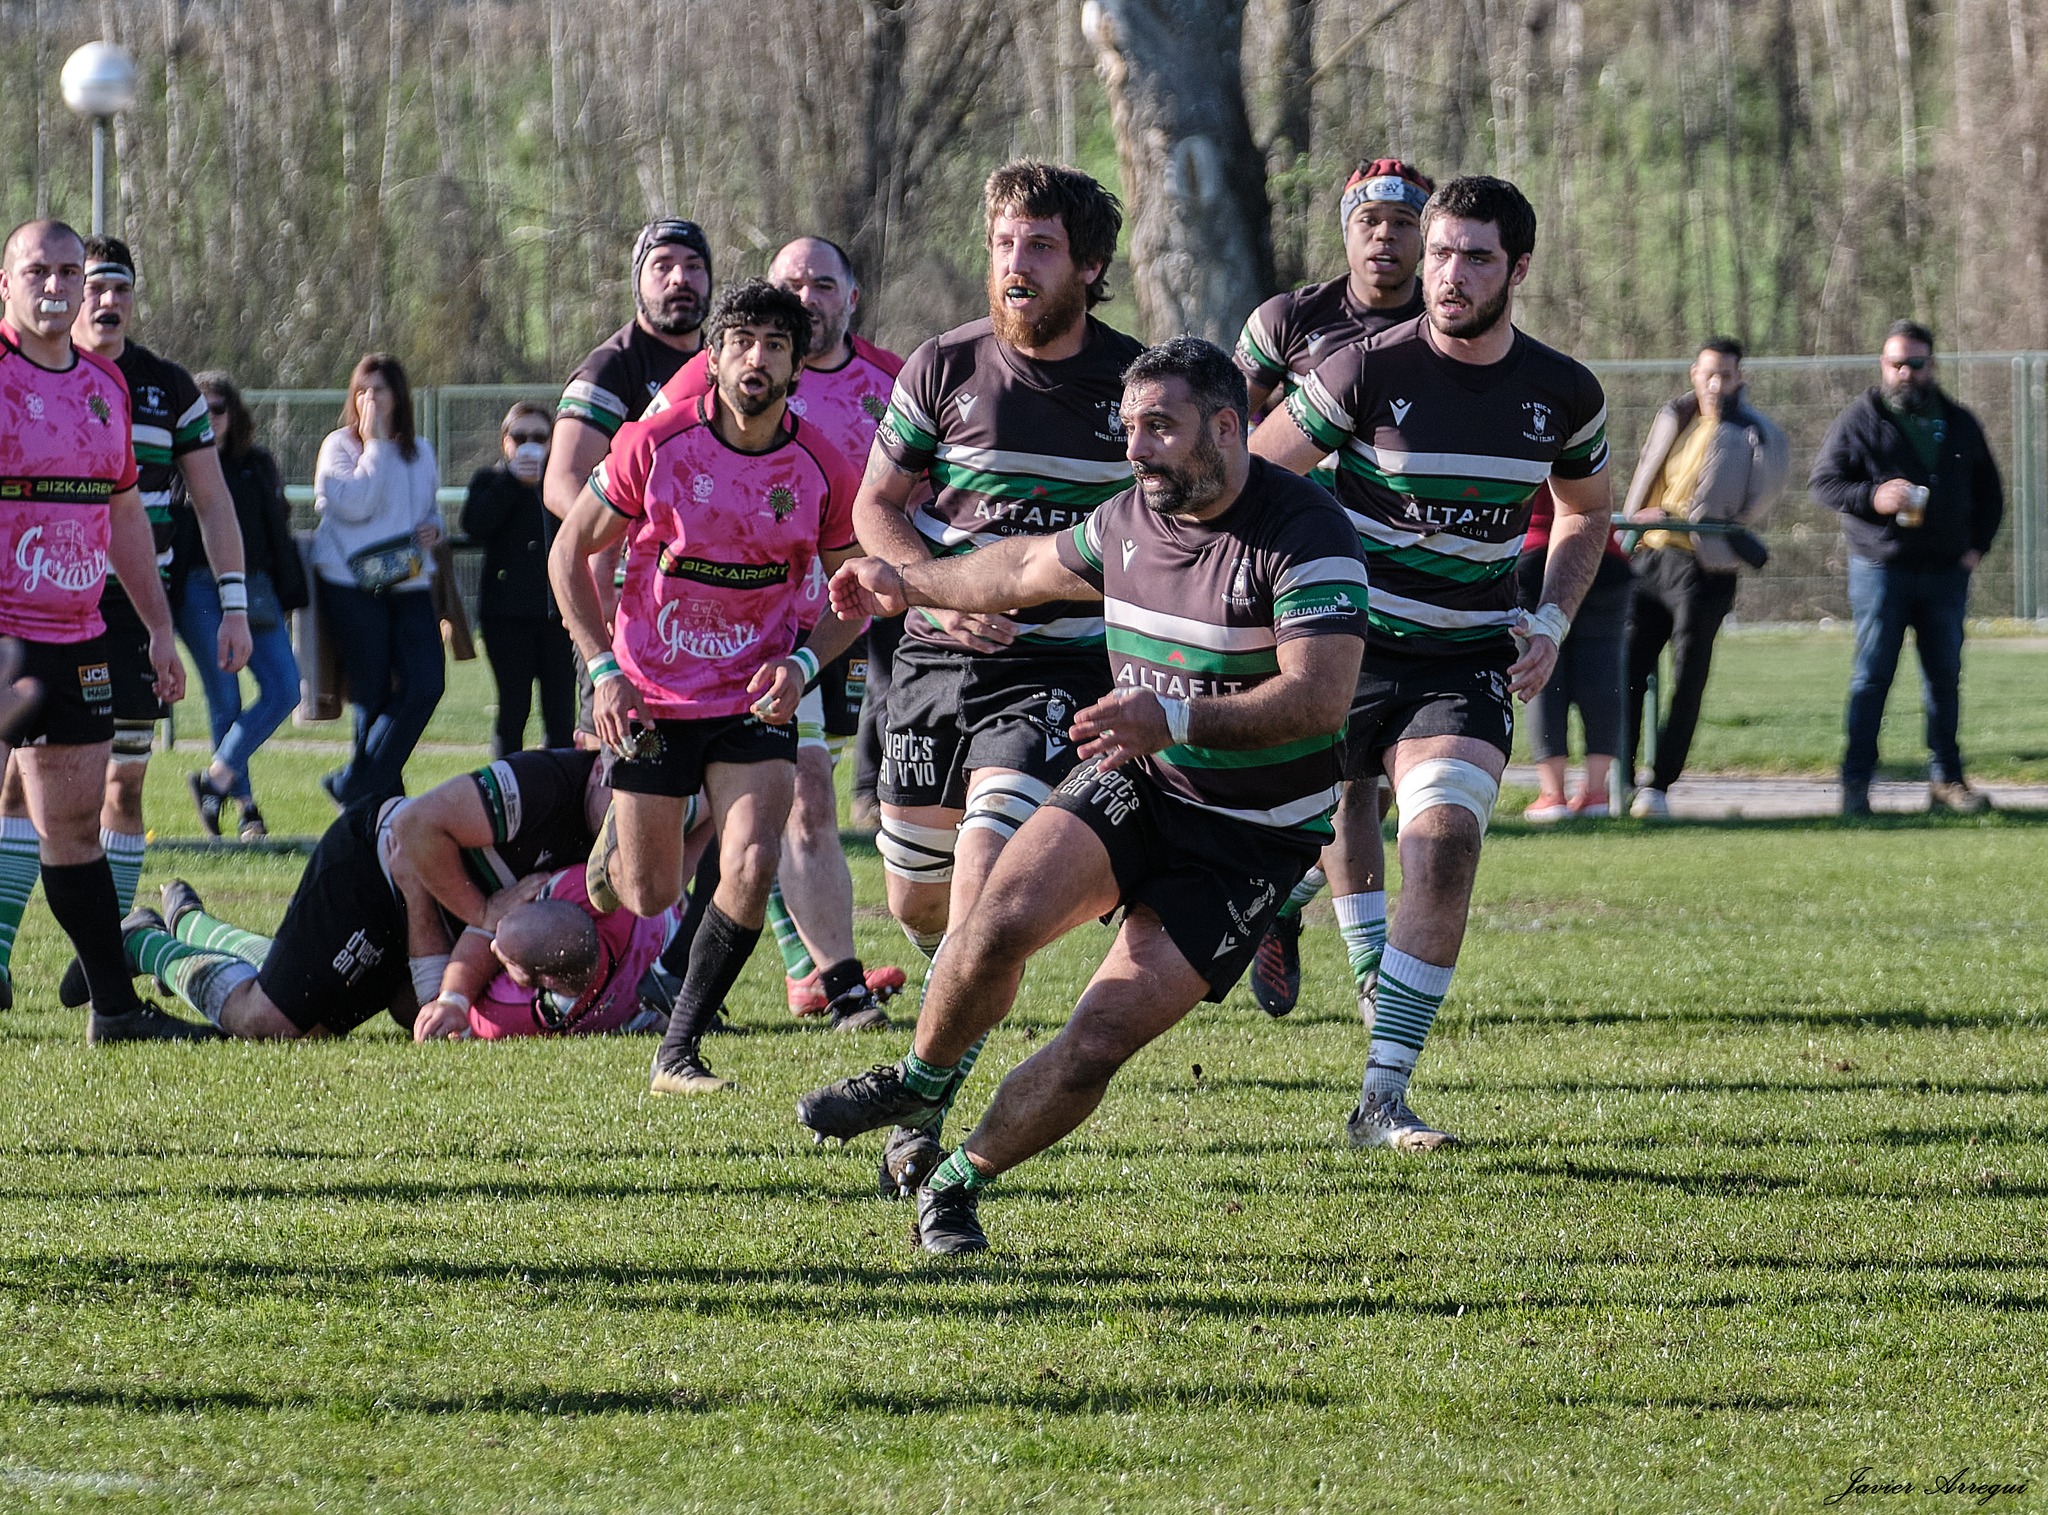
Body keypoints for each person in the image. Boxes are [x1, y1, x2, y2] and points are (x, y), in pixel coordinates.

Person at [799, 338, 1368, 1252]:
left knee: (1098, 1038)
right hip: (1140, 779)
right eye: (1129, 427)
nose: (1136, 449)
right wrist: (905, 584)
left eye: (1159, 428)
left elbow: (1319, 697)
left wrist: (1174, 717)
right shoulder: (1132, 517)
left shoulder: (1307, 531)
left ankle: (953, 1182)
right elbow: (1021, 569)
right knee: (991, 923)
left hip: (1250, 836)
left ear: (1226, 428)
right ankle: (919, 1078)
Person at [1250, 175, 1612, 1150]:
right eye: (1440, 252)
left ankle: (1380, 1097)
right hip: (1341, 651)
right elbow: (1249, 479)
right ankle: (1282, 908)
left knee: (1444, 841)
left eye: (1473, 257)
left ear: (1518, 269)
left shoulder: (1562, 392)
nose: (1446, 275)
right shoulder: (1361, 370)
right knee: (1294, 827)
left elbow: (1583, 513)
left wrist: (1548, 620)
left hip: (1461, 662)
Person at [848, 161, 1142, 1195]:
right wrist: (927, 591)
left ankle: (919, 1114)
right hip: (932, 662)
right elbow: (877, 504)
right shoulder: (941, 366)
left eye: (1041, 246)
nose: (1015, 264)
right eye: (1004, 244)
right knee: (917, 903)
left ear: (1089, 265)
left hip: (1056, 672)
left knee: (983, 890)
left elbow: (1174, 534)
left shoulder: (1133, 386)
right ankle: (944, 1023)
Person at [549, 280, 870, 1095]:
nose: (755, 358)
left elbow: (853, 596)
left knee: (754, 859)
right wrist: (601, 670)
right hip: (650, 694)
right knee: (650, 889)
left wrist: (802, 666)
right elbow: (566, 556)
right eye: (741, 341)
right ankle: (621, 842)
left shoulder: (823, 468)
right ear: (714, 355)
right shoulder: (653, 444)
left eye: (774, 344)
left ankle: (679, 1049)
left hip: (752, 695)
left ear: (798, 365)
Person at [648, 236, 908, 1018]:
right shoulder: (719, 370)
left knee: (810, 795)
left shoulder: (891, 380)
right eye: (792, 283)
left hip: (836, 615)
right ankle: (818, 977)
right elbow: (646, 458)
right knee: (780, 795)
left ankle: (826, 979)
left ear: (849, 298)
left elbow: (938, 480)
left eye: (822, 284)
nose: (806, 296)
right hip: (724, 624)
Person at [0, 235, 254, 1011]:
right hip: (10, 628)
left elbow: (143, 516)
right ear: (5, 282)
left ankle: (109, 993)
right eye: (39, 271)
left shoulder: (120, 389)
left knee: (96, 805)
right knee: (13, 795)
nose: (66, 289)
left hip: (92, 624)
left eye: (72, 274)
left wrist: (165, 620)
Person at [1234, 156, 1432, 1015]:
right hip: (1310, 574)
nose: (1384, 238)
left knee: (1393, 787)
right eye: (1369, 221)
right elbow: (1228, 422)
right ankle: (1370, 973)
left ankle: (1285, 899)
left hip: (1414, 577)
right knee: (1348, 777)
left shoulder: (1447, 322)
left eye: (1401, 223)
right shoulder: (1290, 318)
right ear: (1345, 229)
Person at [109, 747, 609, 1038]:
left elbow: (425, 1001)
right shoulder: (543, 785)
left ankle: (192, 923)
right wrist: (482, 910)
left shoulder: (632, 853)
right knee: (271, 1021)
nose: (629, 834)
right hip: (375, 866)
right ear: (607, 767)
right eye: (625, 807)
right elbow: (414, 829)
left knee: (316, 1027)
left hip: (418, 899)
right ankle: (144, 942)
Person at [131, 862, 672, 1045]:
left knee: (276, 1012)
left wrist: (417, 892)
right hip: (416, 930)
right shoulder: (622, 913)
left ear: (532, 981)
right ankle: (187, 923)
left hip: (415, 962)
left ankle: (147, 943)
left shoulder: (511, 1016)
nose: (488, 930)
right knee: (284, 988)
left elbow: (433, 1001)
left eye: (503, 952)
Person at [1811, 320, 2005, 817]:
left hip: (1945, 573)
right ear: (1883, 365)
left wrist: (1974, 550)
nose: (1905, 373)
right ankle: (1856, 784)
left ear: (1931, 366)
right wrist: (1872, 497)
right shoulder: (1862, 418)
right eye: (1896, 363)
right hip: (1881, 569)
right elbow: (1825, 483)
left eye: (1915, 364)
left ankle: (1947, 782)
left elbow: (1991, 493)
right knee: (1872, 677)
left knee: (1944, 679)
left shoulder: (1959, 421)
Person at [546, 220, 714, 745]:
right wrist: (628, 537)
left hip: (712, 598)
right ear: (637, 282)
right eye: (662, 267)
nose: (679, 279)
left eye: (693, 267)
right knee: (619, 759)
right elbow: (562, 481)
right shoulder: (611, 367)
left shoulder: (728, 360)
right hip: (622, 602)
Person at [1620, 337, 1789, 817]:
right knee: (1627, 669)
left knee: (1688, 675)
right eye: (1709, 373)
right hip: (1649, 560)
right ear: (1694, 372)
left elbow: (1758, 499)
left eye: (1727, 376)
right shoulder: (1673, 415)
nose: (1716, 384)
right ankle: (1623, 777)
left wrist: (1705, 524)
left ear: (1740, 380)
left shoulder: (1755, 432)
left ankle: (1661, 783)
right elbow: (1648, 476)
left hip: (1704, 568)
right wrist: (1642, 516)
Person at [313, 352, 445, 807]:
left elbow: (427, 507)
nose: (370, 398)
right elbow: (352, 506)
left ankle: (354, 785)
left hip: (407, 581)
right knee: (369, 694)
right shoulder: (339, 446)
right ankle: (378, 804)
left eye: (380, 389)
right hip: (351, 584)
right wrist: (373, 445)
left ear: (398, 395)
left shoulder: (420, 450)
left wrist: (436, 527)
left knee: (427, 683)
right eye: (362, 390)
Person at [182, 371, 308, 839]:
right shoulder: (180, 465)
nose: (210, 418)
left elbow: (278, 530)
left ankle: (214, 779)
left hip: (254, 588)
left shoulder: (255, 464)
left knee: (285, 688)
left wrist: (290, 591)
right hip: (197, 589)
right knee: (225, 696)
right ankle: (247, 811)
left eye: (218, 409)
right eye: (201, 409)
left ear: (233, 414)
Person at [464, 401, 575, 756]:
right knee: (513, 710)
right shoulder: (490, 480)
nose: (530, 444)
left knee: (561, 715)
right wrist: (513, 481)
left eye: (540, 437)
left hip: (560, 618)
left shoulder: (563, 484)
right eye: (520, 436)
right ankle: (506, 792)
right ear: (505, 442)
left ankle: (559, 797)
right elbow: (475, 525)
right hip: (506, 618)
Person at [1515, 485, 1630, 821]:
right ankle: (1596, 793)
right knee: (1603, 672)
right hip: (1602, 555)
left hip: (1535, 553)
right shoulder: (1581, 433)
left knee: (1541, 673)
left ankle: (1553, 795)